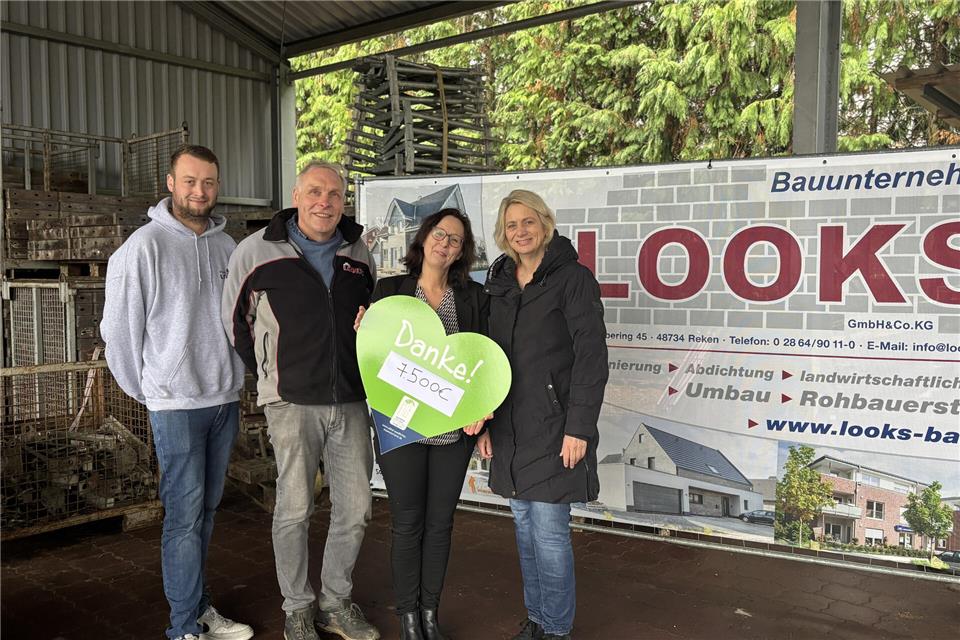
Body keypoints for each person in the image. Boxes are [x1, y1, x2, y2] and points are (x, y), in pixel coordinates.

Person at [221, 161, 380, 640]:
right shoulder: (256, 251)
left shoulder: (358, 253)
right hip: (291, 402)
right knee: (294, 508)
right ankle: (297, 606)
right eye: (315, 191)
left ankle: (335, 602)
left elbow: (370, 318)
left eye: (334, 193)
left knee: (356, 507)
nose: (324, 202)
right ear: (296, 194)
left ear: (343, 200)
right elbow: (236, 324)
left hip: (352, 399)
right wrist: (272, 374)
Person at [101, 145, 254, 640]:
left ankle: (200, 607)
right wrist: (152, 391)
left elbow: (244, 320)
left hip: (222, 399)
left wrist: (237, 377)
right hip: (176, 405)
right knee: (184, 518)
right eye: (190, 181)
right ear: (170, 182)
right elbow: (119, 334)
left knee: (206, 512)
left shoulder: (229, 248)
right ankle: (183, 625)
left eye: (208, 182)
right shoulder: (142, 248)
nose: (200, 191)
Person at [355, 209, 492, 640]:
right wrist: (364, 332)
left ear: (461, 251)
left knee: (440, 524)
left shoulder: (474, 297)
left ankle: (430, 613)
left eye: (455, 239)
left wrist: (484, 415)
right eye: (439, 234)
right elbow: (373, 360)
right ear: (424, 239)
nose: (445, 244)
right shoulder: (390, 291)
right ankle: (408, 618)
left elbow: (482, 362)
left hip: (455, 431)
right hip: (401, 428)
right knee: (408, 522)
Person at [481, 189, 608, 640]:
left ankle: (555, 629)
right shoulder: (498, 283)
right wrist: (486, 419)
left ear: (545, 224)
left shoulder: (572, 278)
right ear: (503, 232)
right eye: (511, 225)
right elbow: (486, 357)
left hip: (556, 427)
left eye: (528, 222)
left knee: (550, 531)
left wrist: (579, 428)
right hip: (511, 427)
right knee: (523, 523)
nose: (520, 232)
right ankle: (537, 619)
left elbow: (591, 358)